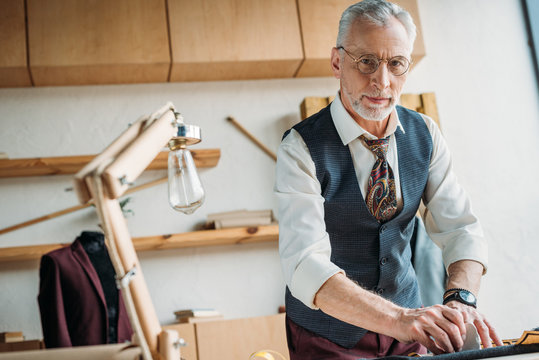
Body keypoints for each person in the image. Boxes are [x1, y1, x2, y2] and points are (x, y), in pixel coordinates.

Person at [274, 0, 503, 358]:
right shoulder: (300, 147)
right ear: (337, 62)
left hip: (408, 331)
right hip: (329, 337)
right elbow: (305, 265)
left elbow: (461, 229)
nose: (382, 81)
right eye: (366, 61)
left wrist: (461, 299)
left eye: (396, 64)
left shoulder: (425, 132)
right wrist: (400, 318)